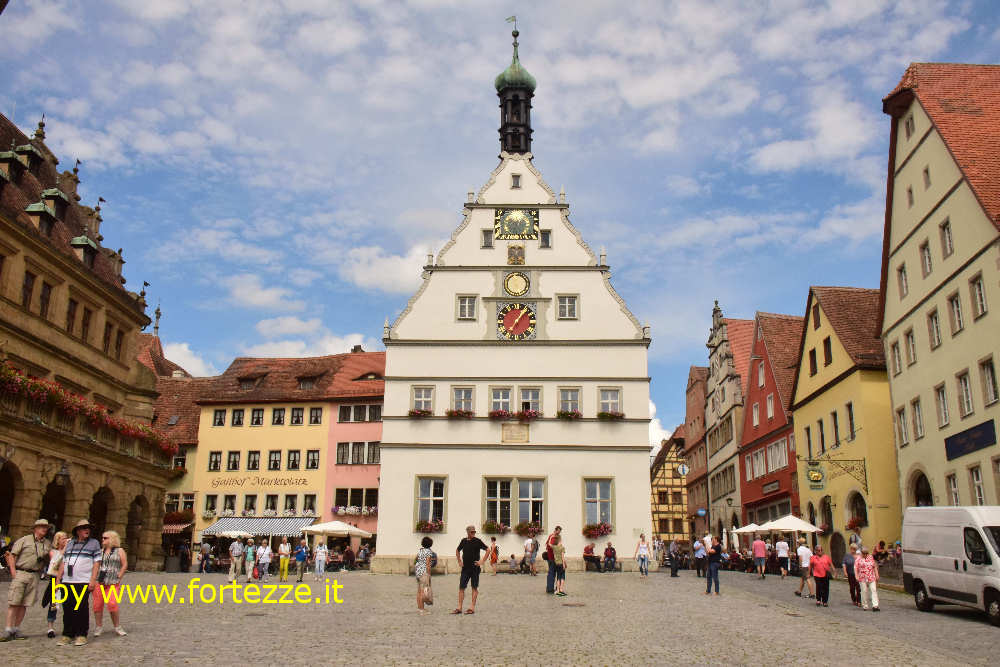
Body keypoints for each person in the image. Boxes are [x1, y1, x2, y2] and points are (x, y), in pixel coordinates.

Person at [1, 518, 52, 641]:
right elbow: (12, 556)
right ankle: (8, 630)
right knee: (14, 602)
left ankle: (16, 629)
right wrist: (13, 572)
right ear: (35, 528)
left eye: (46, 527)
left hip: (35, 575)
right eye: (41, 527)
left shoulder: (47, 543)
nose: (44, 529)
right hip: (21, 572)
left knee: (25, 604)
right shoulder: (24, 540)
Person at [58, 520, 101, 646]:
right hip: (67, 581)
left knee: (81, 608)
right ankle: (67, 634)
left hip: (83, 581)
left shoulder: (94, 543)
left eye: (88, 528)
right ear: (78, 531)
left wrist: (92, 580)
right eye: (83, 528)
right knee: (68, 608)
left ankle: (81, 634)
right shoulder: (70, 543)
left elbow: (97, 563)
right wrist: (58, 579)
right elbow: (63, 562)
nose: (87, 530)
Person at [93, 530, 128, 637]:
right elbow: (96, 565)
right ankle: (99, 626)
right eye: (102, 538)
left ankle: (117, 626)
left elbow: (124, 564)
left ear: (112, 539)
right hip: (100, 581)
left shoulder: (119, 551)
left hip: (113, 582)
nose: (103, 540)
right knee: (97, 605)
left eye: (105, 538)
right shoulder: (100, 551)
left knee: (112, 603)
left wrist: (119, 575)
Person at [452, 525, 487, 615]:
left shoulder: (478, 541)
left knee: (474, 587)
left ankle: (472, 607)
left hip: (475, 568)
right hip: (465, 568)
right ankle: (459, 607)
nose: (473, 533)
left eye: (474, 532)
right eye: (471, 532)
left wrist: (482, 561)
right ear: (467, 532)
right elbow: (457, 550)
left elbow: (488, 550)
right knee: (461, 587)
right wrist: (459, 561)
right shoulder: (463, 541)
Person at [42, 530, 68, 638]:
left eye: (66, 538)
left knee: (67, 605)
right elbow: (56, 561)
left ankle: (68, 627)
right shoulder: (53, 551)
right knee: (53, 605)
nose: (66, 540)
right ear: (58, 540)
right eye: (63, 538)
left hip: (67, 580)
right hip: (55, 580)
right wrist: (65, 548)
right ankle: (50, 628)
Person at [855, 544, 880, 611]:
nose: (865, 555)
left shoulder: (871, 557)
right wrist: (856, 576)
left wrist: (877, 574)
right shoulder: (858, 559)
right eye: (864, 553)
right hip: (862, 577)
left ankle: (875, 606)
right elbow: (855, 568)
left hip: (871, 577)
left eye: (866, 553)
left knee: (874, 590)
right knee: (864, 591)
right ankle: (865, 605)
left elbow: (874, 566)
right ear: (861, 553)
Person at [415, 536, 434, 615]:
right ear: (430, 544)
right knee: (423, 591)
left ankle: (420, 608)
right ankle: (422, 610)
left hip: (418, 571)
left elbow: (417, 559)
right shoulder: (429, 552)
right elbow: (428, 564)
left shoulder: (420, 551)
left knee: (419, 591)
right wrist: (429, 574)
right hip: (424, 572)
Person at [545, 526, 563, 593]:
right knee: (552, 573)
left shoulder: (556, 537)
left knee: (553, 573)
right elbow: (549, 545)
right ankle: (550, 588)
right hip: (552, 558)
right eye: (558, 531)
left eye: (559, 531)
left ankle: (553, 588)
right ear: (555, 530)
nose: (559, 532)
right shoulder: (552, 537)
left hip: (555, 558)